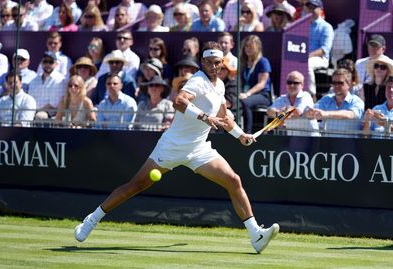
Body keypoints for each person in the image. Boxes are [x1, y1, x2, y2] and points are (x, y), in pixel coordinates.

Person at [74, 41, 279, 254]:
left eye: (217, 63)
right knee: (135, 186)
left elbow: (223, 116)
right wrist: (204, 117)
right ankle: (91, 219)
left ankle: (256, 234)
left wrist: (240, 135)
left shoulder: (219, 85)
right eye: (209, 62)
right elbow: (179, 102)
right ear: (202, 62)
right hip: (172, 146)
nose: (214, 66)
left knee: (233, 180)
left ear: (222, 63)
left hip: (199, 149)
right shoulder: (197, 81)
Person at [305, 68, 364, 136]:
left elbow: (350, 115)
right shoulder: (326, 99)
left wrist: (326, 114)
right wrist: (309, 112)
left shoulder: (357, 101)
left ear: (349, 84)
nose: (336, 86)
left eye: (340, 83)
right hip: (328, 144)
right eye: (334, 83)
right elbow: (313, 110)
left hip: (348, 144)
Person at [268, 71, 319, 136]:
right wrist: (280, 113)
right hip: (293, 137)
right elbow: (269, 111)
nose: (292, 85)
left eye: (296, 83)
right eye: (289, 82)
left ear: (302, 85)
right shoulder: (282, 98)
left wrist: (282, 113)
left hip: (310, 136)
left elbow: (297, 112)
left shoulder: (306, 96)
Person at [239, 35, 272, 133]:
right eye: (246, 46)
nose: (248, 49)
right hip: (245, 93)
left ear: (257, 48)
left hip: (263, 95)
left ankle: (247, 133)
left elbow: (262, 84)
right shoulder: (243, 62)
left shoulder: (263, 62)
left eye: (251, 46)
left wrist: (247, 94)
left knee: (245, 102)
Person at [305, 0, 334, 96]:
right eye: (309, 7)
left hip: (320, 59)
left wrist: (307, 56)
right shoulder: (302, 25)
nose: (311, 10)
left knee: (307, 64)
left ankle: (311, 95)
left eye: (314, 7)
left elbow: (324, 50)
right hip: (303, 55)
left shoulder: (326, 27)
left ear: (321, 10)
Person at [28, 51, 67, 120]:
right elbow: (30, 99)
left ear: (56, 64)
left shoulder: (60, 80)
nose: (48, 64)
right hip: (33, 112)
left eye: (51, 62)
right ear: (41, 63)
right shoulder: (34, 80)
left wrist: (35, 113)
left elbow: (53, 104)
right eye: (45, 61)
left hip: (51, 114)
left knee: (40, 116)